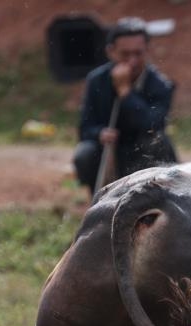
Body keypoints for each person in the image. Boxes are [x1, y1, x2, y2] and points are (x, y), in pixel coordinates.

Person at [73, 17, 177, 196]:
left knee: (158, 144)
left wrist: (126, 92)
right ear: (111, 51)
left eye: (138, 53)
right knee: (85, 152)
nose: (132, 61)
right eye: (125, 54)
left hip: (142, 153)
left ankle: (156, 198)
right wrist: (100, 133)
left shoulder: (161, 85)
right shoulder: (97, 81)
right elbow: (85, 128)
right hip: (109, 153)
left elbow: (152, 125)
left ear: (148, 51)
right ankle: (97, 197)